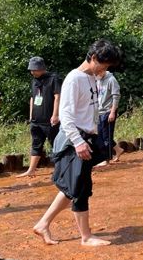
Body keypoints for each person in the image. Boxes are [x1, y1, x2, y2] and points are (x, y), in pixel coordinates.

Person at [33, 39, 120, 246]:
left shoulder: (91, 78)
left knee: (74, 187)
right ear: (93, 58)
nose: (105, 70)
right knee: (79, 189)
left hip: (85, 137)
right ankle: (86, 237)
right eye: (104, 65)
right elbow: (66, 115)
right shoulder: (74, 79)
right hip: (74, 141)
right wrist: (78, 142)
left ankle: (43, 224)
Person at [18, 57, 61, 177]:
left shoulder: (54, 78)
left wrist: (55, 114)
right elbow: (33, 98)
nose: (32, 72)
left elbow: (58, 96)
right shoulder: (34, 80)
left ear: (41, 68)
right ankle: (31, 170)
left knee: (56, 144)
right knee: (36, 144)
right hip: (36, 120)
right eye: (31, 70)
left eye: (34, 69)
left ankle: (61, 168)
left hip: (50, 119)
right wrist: (31, 115)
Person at [95, 69, 123, 166]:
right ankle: (118, 150)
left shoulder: (111, 80)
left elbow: (116, 96)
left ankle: (106, 159)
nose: (96, 75)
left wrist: (112, 112)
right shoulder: (98, 79)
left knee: (106, 136)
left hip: (108, 111)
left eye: (97, 73)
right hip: (99, 111)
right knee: (100, 136)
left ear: (102, 70)